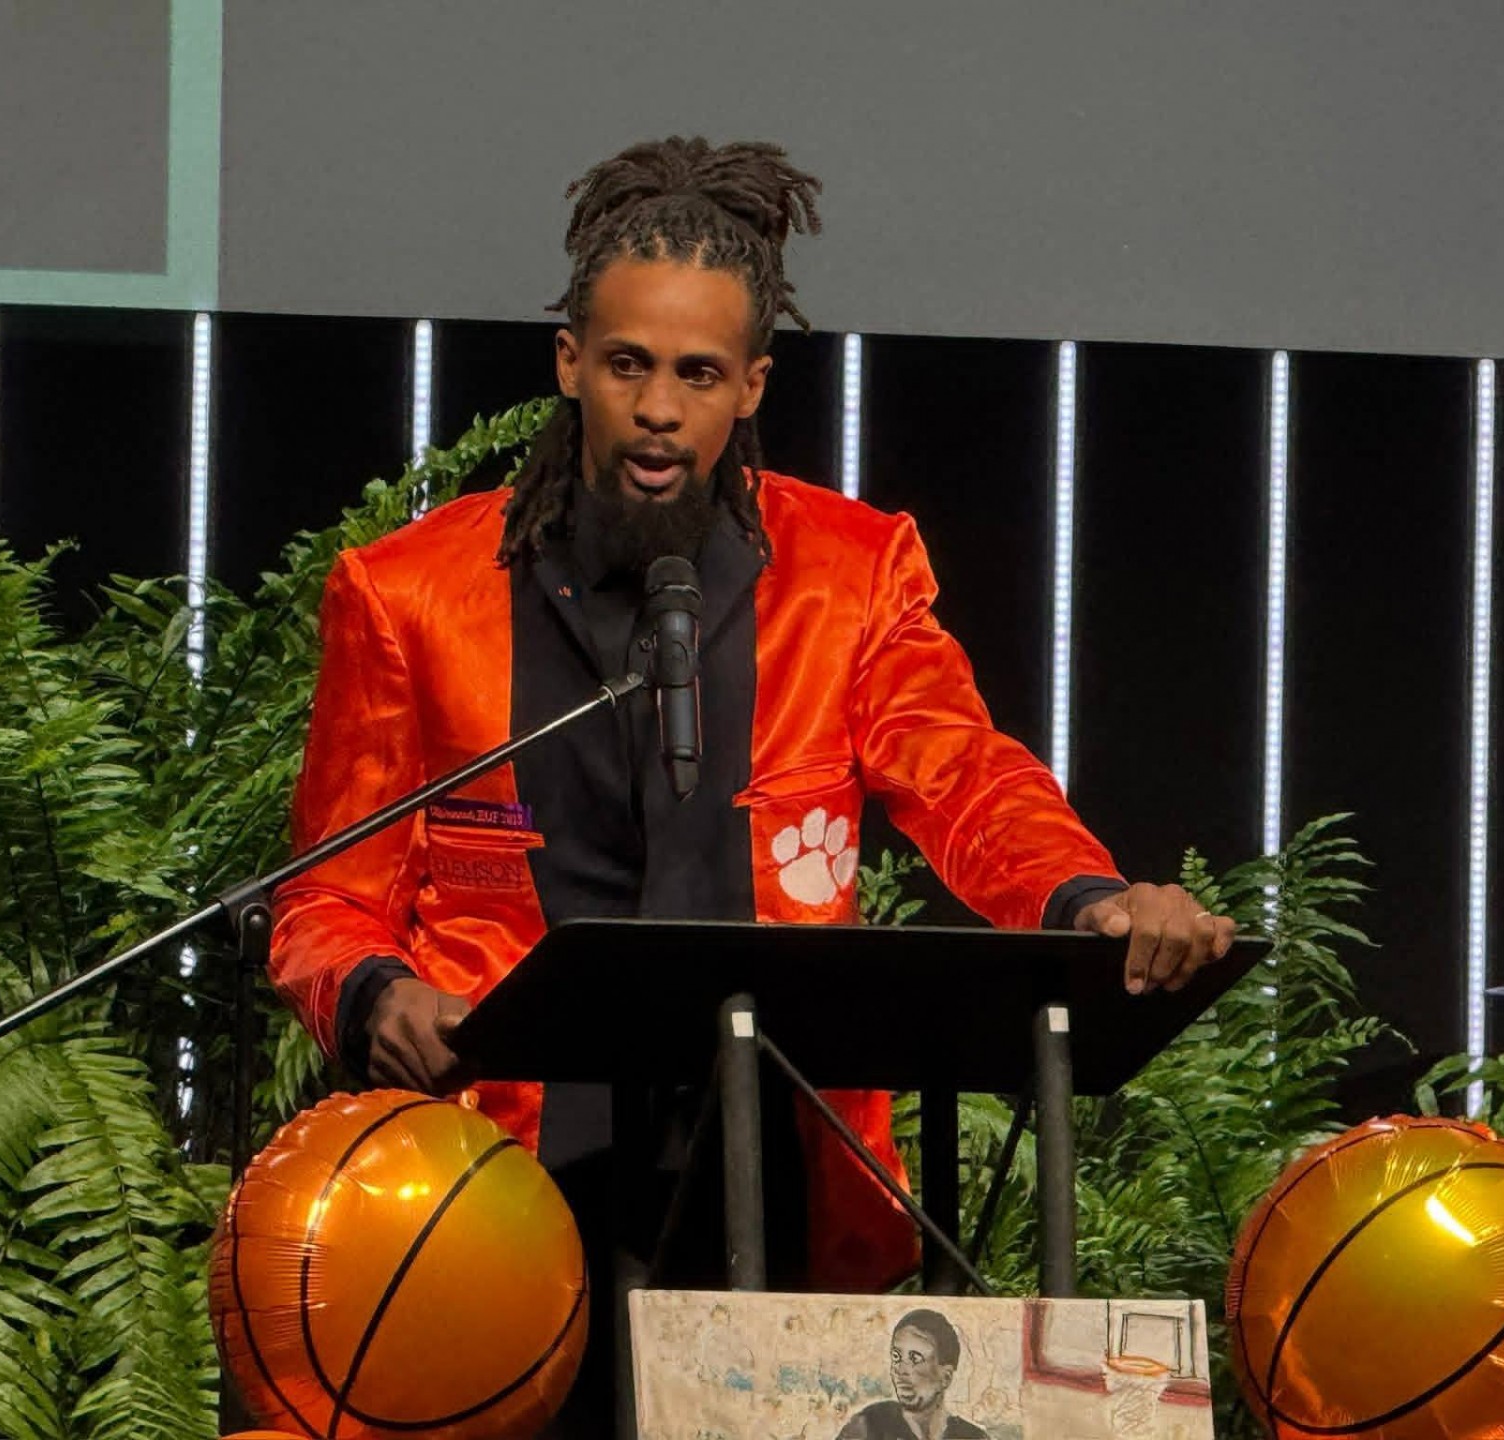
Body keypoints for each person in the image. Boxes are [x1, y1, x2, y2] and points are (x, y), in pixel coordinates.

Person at [268, 134, 1235, 1426]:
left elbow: (962, 775)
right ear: (569, 363)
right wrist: (377, 994)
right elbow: (326, 901)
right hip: (490, 1205)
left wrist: (1087, 898)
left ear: (750, 386)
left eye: (698, 373)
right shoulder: (406, 597)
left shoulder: (850, 573)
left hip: (782, 1185)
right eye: (628, 364)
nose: (659, 408)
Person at [838, 1310, 988, 1440]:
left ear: (946, 1377)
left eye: (915, 1358)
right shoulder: (869, 1425)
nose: (901, 1370)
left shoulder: (971, 1436)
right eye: (896, 1357)